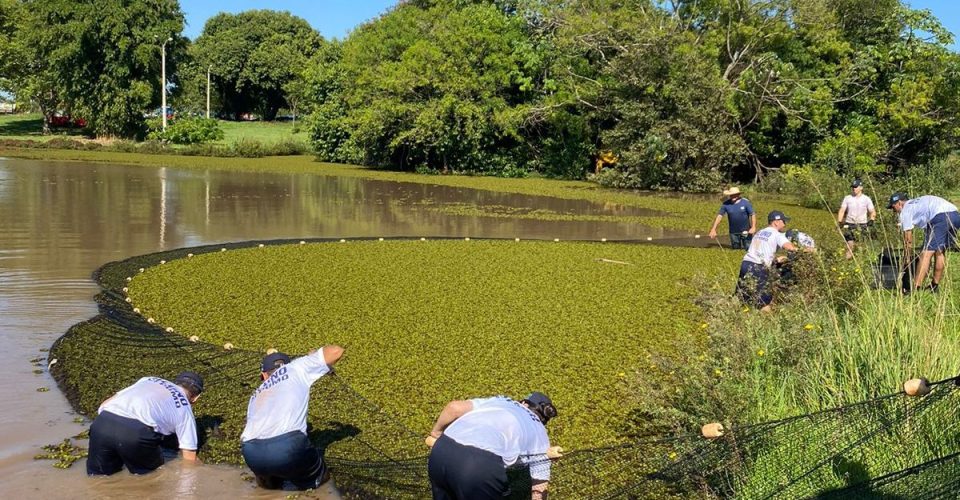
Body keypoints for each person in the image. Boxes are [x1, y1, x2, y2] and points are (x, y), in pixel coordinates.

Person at [240, 345, 344, 490]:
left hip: (251, 452)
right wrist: (314, 357)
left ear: (264, 375)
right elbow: (336, 351)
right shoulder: (295, 368)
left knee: (269, 487)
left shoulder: (256, 394)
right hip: (287, 447)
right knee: (320, 481)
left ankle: (269, 485)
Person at [426, 392, 561, 500]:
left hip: (441, 451)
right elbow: (539, 487)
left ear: (524, 403)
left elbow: (454, 408)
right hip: (478, 467)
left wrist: (436, 433)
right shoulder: (540, 432)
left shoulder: (501, 401)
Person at [87, 371, 204, 476]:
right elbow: (189, 456)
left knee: (99, 478)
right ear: (196, 398)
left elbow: (104, 404)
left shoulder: (148, 379)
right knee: (151, 478)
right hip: (136, 433)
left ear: (175, 382)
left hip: (102, 423)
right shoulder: (185, 409)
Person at [888, 193, 960, 293]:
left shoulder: (905, 210)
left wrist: (906, 257)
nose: (894, 211)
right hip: (955, 215)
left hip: (940, 217)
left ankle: (915, 289)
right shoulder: (916, 202)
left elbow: (908, 240)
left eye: (893, 207)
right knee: (940, 251)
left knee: (926, 254)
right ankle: (934, 286)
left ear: (899, 203)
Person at [736, 211, 799, 312]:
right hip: (758, 268)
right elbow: (790, 248)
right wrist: (807, 250)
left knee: (743, 297)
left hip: (746, 264)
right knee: (764, 302)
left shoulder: (759, 233)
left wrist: (774, 260)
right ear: (776, 222)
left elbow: (759, 251)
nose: (785, 224)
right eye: (783, 221)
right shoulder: (777, 234)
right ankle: (769, 323)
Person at [837, 179, 876, 259]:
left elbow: (872, 211)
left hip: (862, 224)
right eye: (853, 187)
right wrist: (840, 222)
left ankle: (860, 264)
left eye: (855, 187)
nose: (854, 189)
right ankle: (847, 263)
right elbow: (842, 210)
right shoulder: (847, 198)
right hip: (849, 224)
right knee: (849, 246)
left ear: (861, 188)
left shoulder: (866, 199)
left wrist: (872, 220)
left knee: (860, 246)